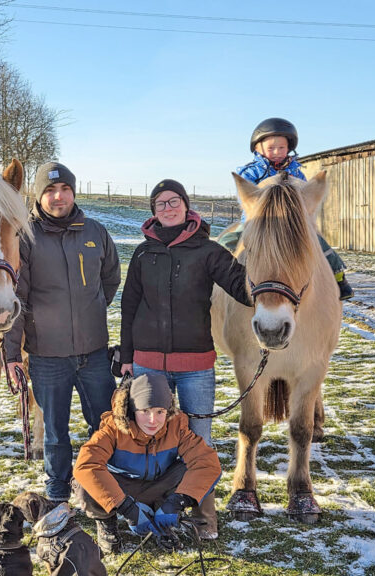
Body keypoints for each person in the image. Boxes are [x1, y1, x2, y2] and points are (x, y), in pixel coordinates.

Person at [117, 178, 251, 541]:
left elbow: (242, 286)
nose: (168, 208)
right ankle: (154, 510)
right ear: (154, 212)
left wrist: (269, 280)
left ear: (186, 206)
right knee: (151, 439)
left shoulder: (207, 251)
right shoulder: (144, 254)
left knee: (199, 441)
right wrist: (127, 356)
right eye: (160, 204)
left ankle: (205, 517)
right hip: (148, 366)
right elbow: (129, 306)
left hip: (195, 367)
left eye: (173, 201)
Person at [4, 161, 121, 504]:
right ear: (38, 197)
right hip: (47, 356)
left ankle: (99, 486)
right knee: (56, 433)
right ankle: (57, 493)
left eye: (65, 190)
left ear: (73, 192)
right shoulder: (25, 236)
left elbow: (111, 279)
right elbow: (17, 298)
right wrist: (12, 354)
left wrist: (91, 307)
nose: (59, 197)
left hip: (94, 353)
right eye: (50, 191)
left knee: (103, 425)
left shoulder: (95, 232)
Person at [73, 372, 221, 554]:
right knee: (84, 484)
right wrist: (126, 507)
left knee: (191, 468)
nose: (153, 420)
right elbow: (86, 465)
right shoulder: (114, 426)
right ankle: (107, 523)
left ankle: (163, 518)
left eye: (160, 412)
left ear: (168, 410)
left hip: (160, 486)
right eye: (145, 411)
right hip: (122, 488)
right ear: (132, 410)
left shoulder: (176, 425)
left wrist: (176, 502)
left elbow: (206, 462)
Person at [222, 117, 354, 300]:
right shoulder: (251, 171)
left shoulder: (296, 172)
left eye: (282, 148)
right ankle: (217, 280)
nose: (277, 152)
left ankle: (339, 278)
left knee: (321, 245)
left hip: (291, 223)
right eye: (271, 148)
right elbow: (246, 196)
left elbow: (305, 195)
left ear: (289, 148)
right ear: (258, 149)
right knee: (225, 243)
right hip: (258, 221)